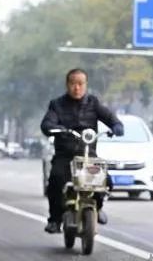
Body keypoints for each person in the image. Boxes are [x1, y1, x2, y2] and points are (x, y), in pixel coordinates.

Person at [40, 68, 124, 233]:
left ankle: (97, 207)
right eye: (73, 83)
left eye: (80, 84)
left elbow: (109, 117)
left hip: (88, 155)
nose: (76, 88)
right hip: (65, 155)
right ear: (67, 84)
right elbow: (47, 123)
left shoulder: (94, 103)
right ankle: (55, 220)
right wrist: (54, 128)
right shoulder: (56, 105)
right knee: (55, 181)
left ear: (85, 85)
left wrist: (117, 125)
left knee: (105, 180)